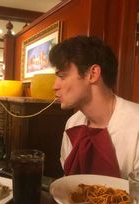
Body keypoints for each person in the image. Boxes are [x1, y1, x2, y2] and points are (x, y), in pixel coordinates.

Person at [49, 35, 139, 179]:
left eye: (62, 75)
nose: (55, 86)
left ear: (93, 74)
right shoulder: (73, 124)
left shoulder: (136, 125)